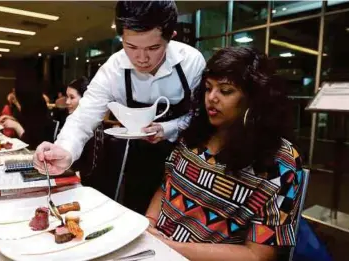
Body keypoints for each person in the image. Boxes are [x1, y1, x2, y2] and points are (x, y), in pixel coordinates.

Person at [33, 0, 206, 214]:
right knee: (135, 212)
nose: (141, 59)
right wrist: (65, 150)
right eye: (131, 47)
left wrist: (168, 129)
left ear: (171, 37)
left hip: (186, 158)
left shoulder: (191, 62)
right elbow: (85, 115)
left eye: (153, 48)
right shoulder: (112, 69)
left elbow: (199, 116)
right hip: (139, 158)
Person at [145, 47, 303, 261]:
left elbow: (259, 255)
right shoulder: (195, 135)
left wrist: (170, 247)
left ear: (254, 99)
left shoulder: (279, 162)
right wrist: (149, 224)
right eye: (208, 88)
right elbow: (166, 186)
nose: (212, 98)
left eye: (226, 91)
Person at [0, 72, 55, 149]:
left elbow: (29, 143)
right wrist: (12, 119)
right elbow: (26, 121)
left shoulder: (35, 105)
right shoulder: (33, 103)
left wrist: (16, 126)